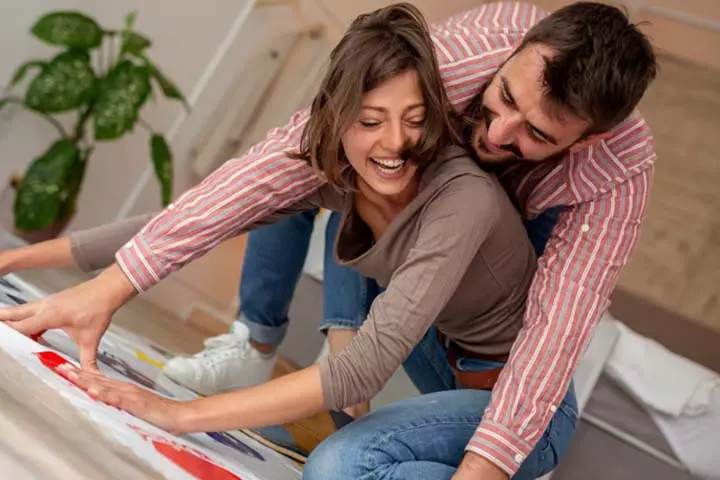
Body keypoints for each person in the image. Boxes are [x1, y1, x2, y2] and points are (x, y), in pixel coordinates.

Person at [0, 1, 658, 479]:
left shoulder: (563, 183)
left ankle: (337, 378)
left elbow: (553, 336)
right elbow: (250, 189)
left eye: (536, 134)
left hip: (499, 374)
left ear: (585, 140)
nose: (499, 132)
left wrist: (174, 418)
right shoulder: (458, 68)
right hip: (435, 324)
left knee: (342, 466)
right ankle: (263, 344)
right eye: (502, 99)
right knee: (296, 182)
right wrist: (61, 271)